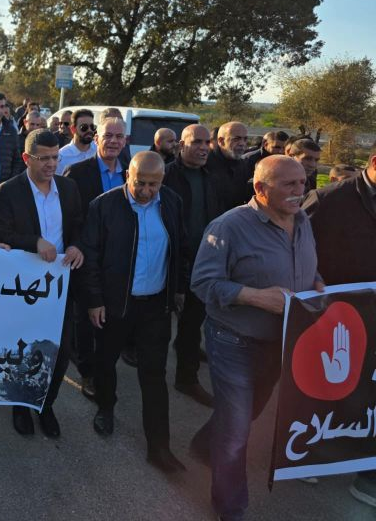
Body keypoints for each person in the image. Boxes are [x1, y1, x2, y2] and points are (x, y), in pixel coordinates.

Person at [189, 155, 324, 521]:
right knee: (236, 430)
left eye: (303, 182)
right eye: (290, 184)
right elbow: (202, 283)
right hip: (234, 341)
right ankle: (231, 507)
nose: (300, 191)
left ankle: (203, 446)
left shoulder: (302, 220)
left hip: (281, 342)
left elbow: (307, 266)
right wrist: (255, 296)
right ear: (261, 189)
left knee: (246, 413)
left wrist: (317, 284)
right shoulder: (228, 226)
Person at [81, 151, 188, 474]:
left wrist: (178, 289)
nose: (146, 191)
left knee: (154, 375)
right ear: (128, 174)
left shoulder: (171, 203)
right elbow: (91, 256)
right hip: (115, 304)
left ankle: (159, 447)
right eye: (140, 183)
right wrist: (95, 300)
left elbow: (180, 248)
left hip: (155, 306)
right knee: (106, 362)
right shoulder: (104, 206)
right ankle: (106, 406)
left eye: (153, 185)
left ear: (162, 181)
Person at [0, 129, 84, 438]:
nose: (51, 164)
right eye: (44, 158)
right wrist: (34, 242)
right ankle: (21, 405)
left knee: (61, 351)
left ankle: (46, 405)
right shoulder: (7, 191)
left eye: (55, 157)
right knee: (24, 348)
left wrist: (76, 246)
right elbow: (1, 234)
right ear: (26, 158)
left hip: (60, 286)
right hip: (23, 288)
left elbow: (79, 226)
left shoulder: (69, 188)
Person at [303, 142, 376, 509]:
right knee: (327, 385)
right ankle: (308, 453)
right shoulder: (328, 200)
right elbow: (298, 250)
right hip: (334, 316)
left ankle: (367, 472)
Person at [63, 110, 128, 399]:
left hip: (119, 259)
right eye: (108, 135)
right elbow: (69, 217)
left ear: (125, 141)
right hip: (86, 257)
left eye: (119, 136)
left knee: (111, 319)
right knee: (85, 319)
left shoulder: (130, 172)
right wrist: (76, 245)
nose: (113, 141)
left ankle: (105, 366)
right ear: (96, 137)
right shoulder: (77, 173)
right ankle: (87, 372)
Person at [162, 124, 220, 407]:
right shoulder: (165, 176)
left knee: (192, 321)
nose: (203, 147)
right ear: (180, 145)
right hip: (169, 262)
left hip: (203, 260)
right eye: (197, 142)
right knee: (162, 322)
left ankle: (187, 378)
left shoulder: (211, 177)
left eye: (207, 142)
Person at [206, 121, 249, 212]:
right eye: (236, 139)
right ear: (221, 141)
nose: (242, 143)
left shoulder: (243, 165)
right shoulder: (204, 164)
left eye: (245, 139)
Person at [57, 108, 97, 174]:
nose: (89, 130)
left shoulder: (99, 150)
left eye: (92, 127)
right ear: (73, 129)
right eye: (84, 127)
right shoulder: (62, 156)